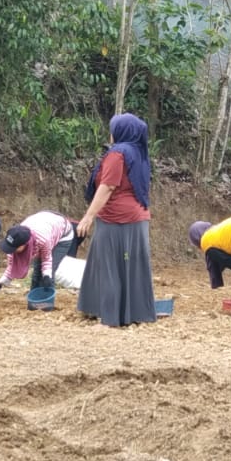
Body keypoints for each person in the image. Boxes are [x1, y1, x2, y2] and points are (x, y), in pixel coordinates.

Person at [76, 113, 156, 327]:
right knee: (132, 267)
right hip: (138, 218)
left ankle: (109, 314)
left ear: (121, 132)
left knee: (108, 266)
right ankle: (134, 313)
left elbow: (107, 186)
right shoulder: (140, 153)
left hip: (116, 219)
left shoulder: (117, 154)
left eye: (112, 129)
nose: (110, 133)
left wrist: (88, 216)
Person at [0, 211, 75, 296]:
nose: (11, 251)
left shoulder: (42, 240)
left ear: (23, 245)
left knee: (48, 273)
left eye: (14, 249)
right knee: (37, 271)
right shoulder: (15, 240)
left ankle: (46, 302)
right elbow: (11, 267)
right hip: (45, 221)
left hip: (63, 234)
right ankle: (33, 298)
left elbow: (47, 260)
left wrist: (47, 277)